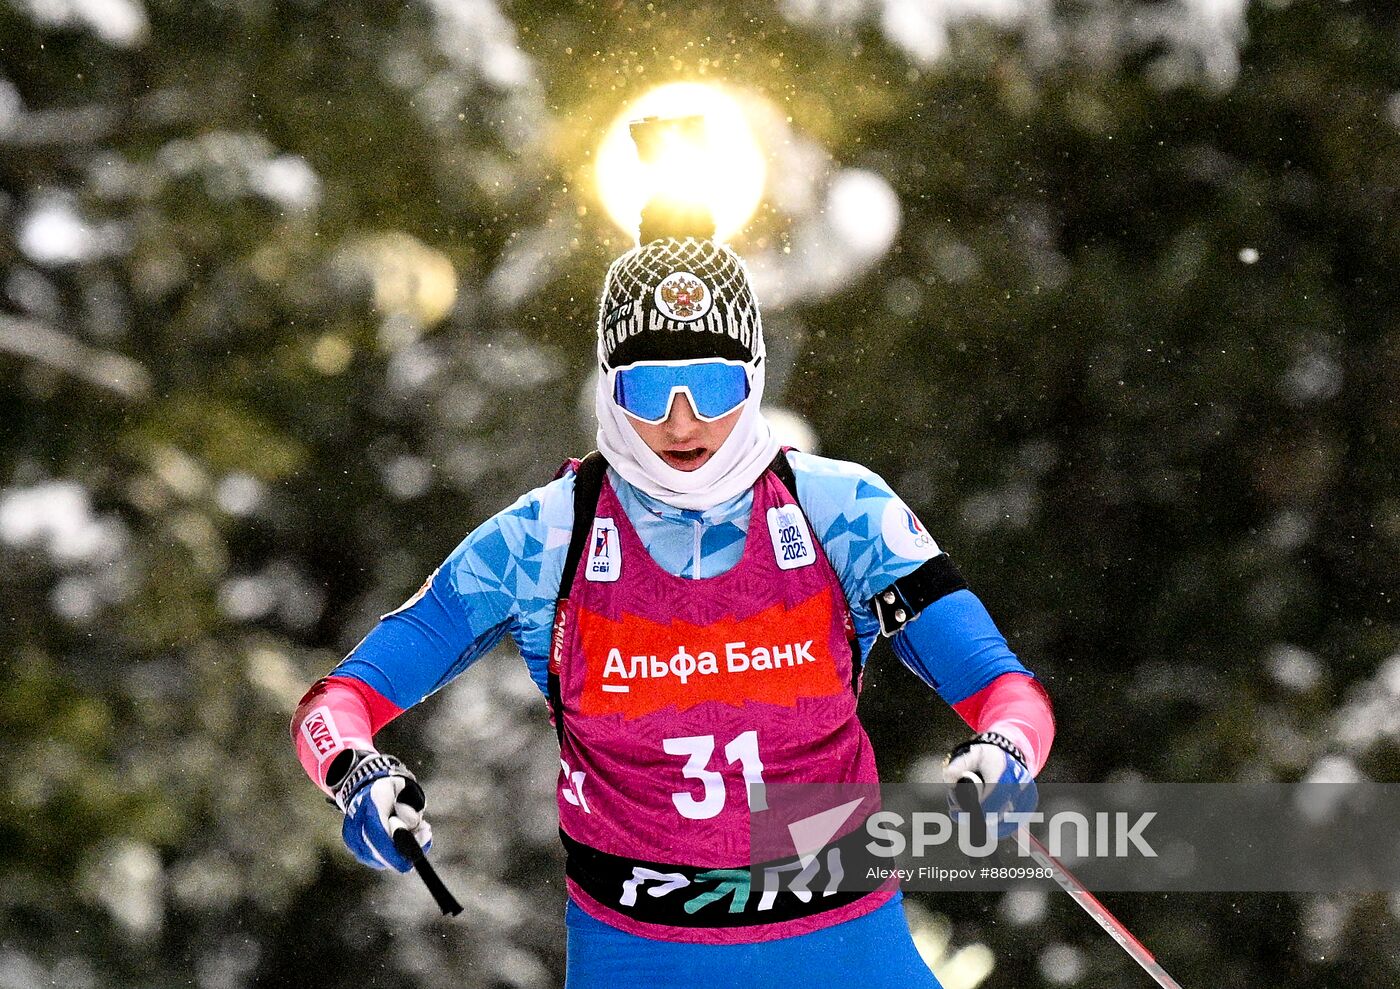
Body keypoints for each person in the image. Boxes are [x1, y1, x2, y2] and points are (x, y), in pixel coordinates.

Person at [291, 204, 1055, 988]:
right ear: (610, 385)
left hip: (841, 941)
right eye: (650, 388)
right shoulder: (547, 534)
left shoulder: (842, 509)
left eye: (713, 385)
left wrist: (1003, 753)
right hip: (642, 950)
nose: (682, 421)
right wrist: (358, 774)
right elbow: (338, 700)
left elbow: (1004, 688)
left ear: (754, 376)